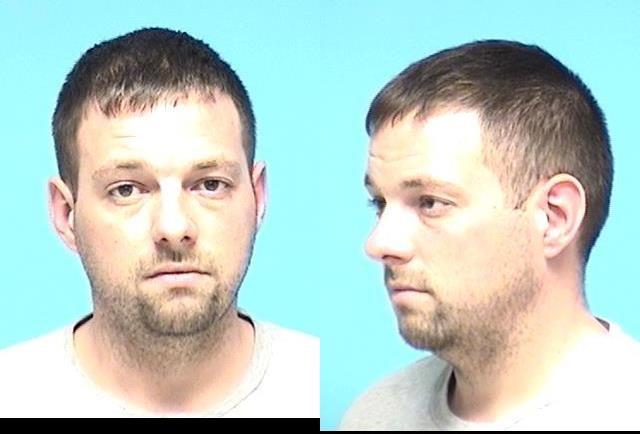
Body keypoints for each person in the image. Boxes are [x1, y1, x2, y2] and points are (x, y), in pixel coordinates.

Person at [0, 27, 318, 418]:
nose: (173, 227)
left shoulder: (314, 389)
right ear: (66, 214)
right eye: (126, 190)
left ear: (258, 198)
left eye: (210, 184)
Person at [341, 40, 640, 430]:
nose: (378, 243)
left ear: (554, 217)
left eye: (430, 202)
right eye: (380, 203)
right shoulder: (374, 415)